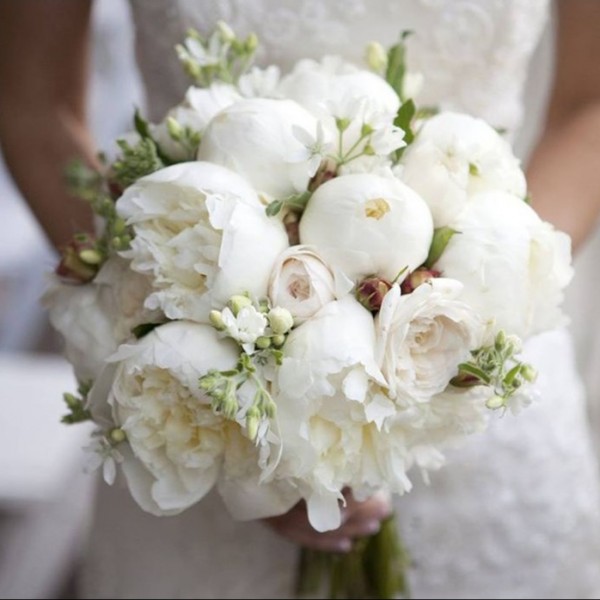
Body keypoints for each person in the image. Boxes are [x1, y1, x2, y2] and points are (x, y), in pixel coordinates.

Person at [1, 1, 600, 598]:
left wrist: (462, 329)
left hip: (479, 393)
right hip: (200, 409)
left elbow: (588, 104)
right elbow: (33, 105)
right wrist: (147, 306)